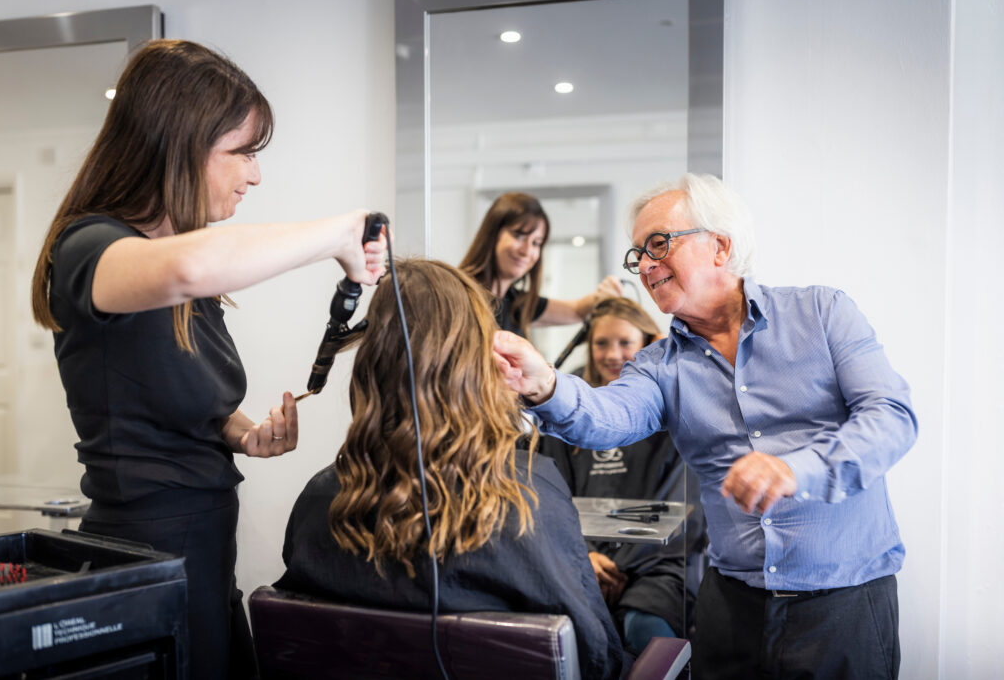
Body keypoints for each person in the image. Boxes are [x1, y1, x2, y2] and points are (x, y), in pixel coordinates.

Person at [29, 40, 387, 680]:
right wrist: (336, 234)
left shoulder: (170, 273)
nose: (255, 175)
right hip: (145, 546)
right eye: (243, 152)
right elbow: (190, 265)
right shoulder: (90, 247)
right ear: (178, 143)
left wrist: (239, 432)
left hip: (202, 543)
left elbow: (163, 388)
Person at [493, 173, 916, 680]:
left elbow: (891, 417)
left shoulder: (823, 314)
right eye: (637, 254)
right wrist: (544, 383)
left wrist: (797, 469)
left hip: (844, 603)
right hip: (731, 606)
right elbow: (607, 418)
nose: (645, 266)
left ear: (720, 245)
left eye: (658, 244)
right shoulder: (657, 364)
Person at [275, 259, 625, 680]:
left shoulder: (318, 500)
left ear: (372, 363)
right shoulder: (524, 493)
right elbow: (596, 658)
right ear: (479, 364)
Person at [540, 297, 707, 654]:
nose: (612, 354)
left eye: (625, 343)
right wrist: (583, 556)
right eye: (601, 342)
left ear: (647, 344)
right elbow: (551, 499)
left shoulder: (673, 414)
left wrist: (618, 566)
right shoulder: (567, 413)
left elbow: (682, 512)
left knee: (644, 632)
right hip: (583, 562)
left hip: (657, 567)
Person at [459, 191, 622, 338]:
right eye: (520, 236)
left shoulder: (517, 304)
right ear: (493, 234)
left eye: (536, 243)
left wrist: (605, 293)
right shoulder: (460, 294)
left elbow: (576, 311)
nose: (527, 251)